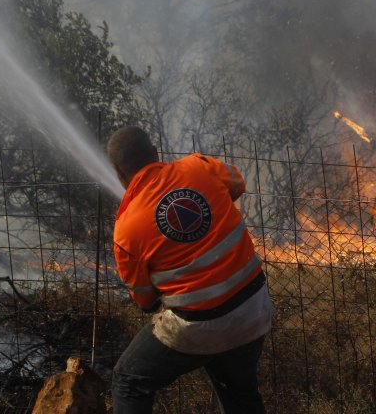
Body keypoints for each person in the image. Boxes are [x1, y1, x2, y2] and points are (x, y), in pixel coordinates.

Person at [107, 126, 272, 413]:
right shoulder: (198, 167)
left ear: (119, 173)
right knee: (240, 396)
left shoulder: (126, 230)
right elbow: (236, 183)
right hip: (253, 308)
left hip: (196, 327)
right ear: (156, 153)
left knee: (127, 381)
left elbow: (145, 300)